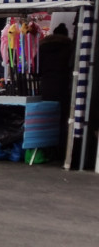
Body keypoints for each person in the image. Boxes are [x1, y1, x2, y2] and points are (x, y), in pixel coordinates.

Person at [38, 23, 76, 154]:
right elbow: (72, 66)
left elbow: (36, 68)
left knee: (46, 117)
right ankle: (60, 149)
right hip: (63, 85)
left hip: (46, 86)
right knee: (62, 119)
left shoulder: (42, 47)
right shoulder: (70, 47)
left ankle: (46, 148)